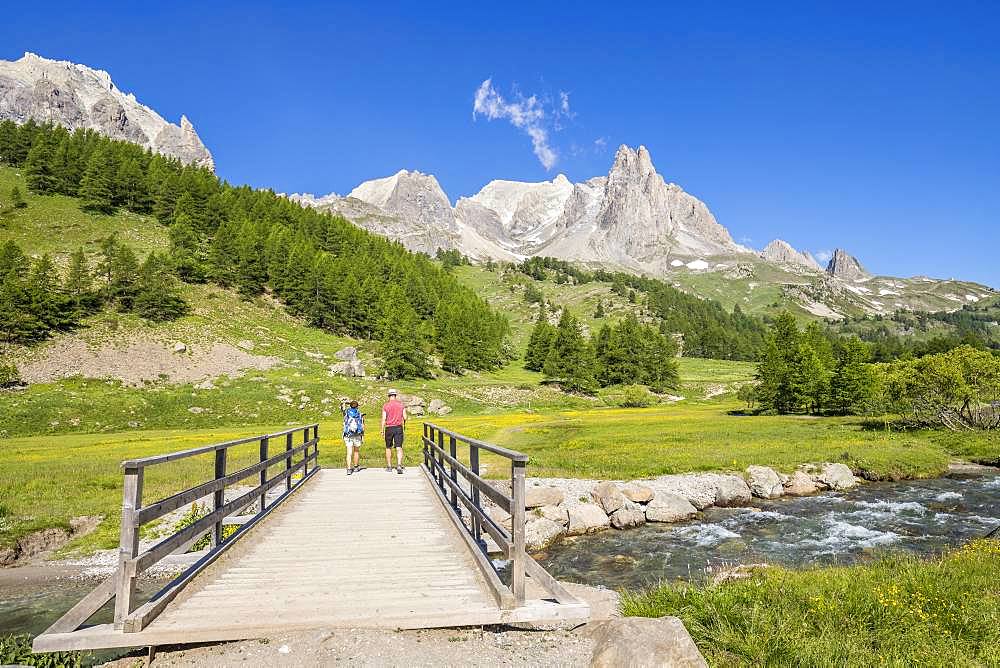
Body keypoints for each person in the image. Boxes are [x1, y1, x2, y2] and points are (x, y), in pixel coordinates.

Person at [381, 388, 406, 474]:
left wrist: (382, 430)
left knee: (388, 447)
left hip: (389, 428)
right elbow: (405, 417)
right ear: (395, 395)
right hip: (398, 427)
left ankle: (389, 466)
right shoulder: (401, 405)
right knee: (399, 447)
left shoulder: (386, 406)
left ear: (389, 396)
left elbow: (383, 419)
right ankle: (399, 465)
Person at [342, 400, 364, 475]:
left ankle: (348, 468)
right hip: (357, 435)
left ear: (350, 406)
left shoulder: (346, 413)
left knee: (349, 452)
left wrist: (345, 403)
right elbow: (362, 425)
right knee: (356, 451)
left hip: (348, 435)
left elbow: (342, 406)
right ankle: (355, 466)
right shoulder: (359, 414)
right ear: (357, 406)